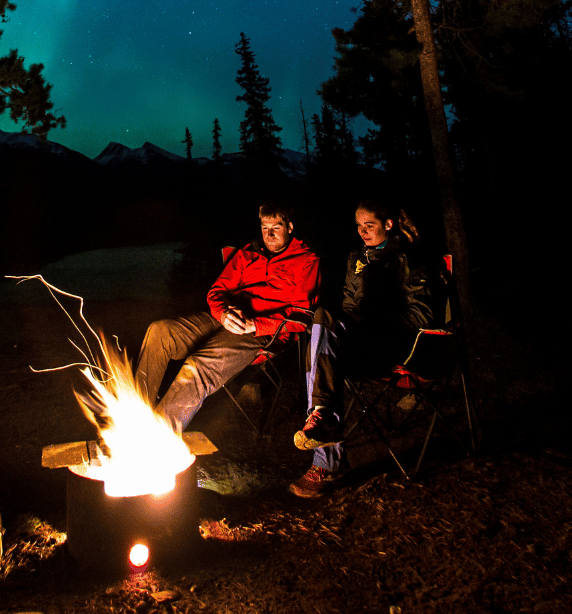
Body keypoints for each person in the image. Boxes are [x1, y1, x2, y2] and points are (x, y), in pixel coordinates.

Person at [289, 199, 439, 499]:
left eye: (369, 225)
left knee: (324, 356)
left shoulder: (408, 258)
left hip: (393, 345)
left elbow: (422, 315)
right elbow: (349, 307)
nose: (362, 232)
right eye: (358, 226)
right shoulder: (356, 258)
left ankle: (326, 457)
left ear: (388, 224)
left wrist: (375, 324)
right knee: (322, 321)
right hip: (360, 342)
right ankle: (323, 416)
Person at [136, 201, 321, 434]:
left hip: (264, 332)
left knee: (198, 365)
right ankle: (135, 413)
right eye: (265, 227)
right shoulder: (247, 253)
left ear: (290, 227)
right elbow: (217, 291)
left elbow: (301, 317)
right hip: (227, 317)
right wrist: (223, 314)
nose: (269, 234)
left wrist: (255, 324)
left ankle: (158, 436)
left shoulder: (306, 261)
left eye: (276, 227)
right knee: (160, 331)